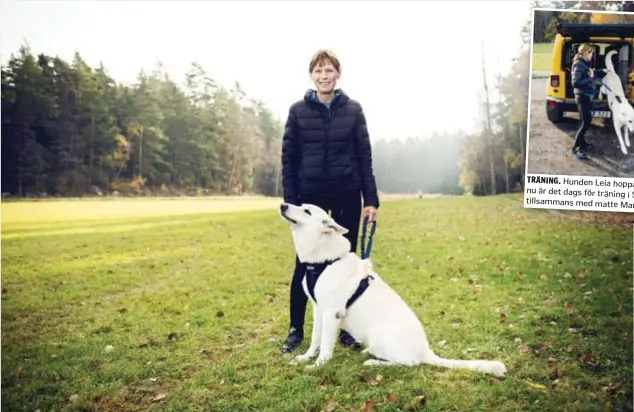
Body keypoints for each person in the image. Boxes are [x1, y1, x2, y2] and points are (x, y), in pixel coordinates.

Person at [279, 49, 380, 353]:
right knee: (303, 266)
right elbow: (289, 158)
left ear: (338, 74)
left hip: (347, 193)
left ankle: (346, 329)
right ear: (312, 75)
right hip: (310, 197)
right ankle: (296, 329)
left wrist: (370, 199)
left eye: (329, 70)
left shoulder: (354, 110)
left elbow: (364, 157)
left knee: (346, 266)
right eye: (318, 71)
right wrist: (293, 202)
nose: (324, 76)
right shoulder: (298, 111)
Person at [571, 43, 601, 160]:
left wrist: (592, 74)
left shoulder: (583, 64)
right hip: (582, 97)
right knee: (585, 123)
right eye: (591, 53)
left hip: (586, 96)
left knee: (586, 121)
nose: (592, 56)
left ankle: (582, 144)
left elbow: (585, 76)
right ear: (585, 53)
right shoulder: (578, 64)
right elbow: (575, 82)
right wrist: (590, 77)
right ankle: (576, 148)